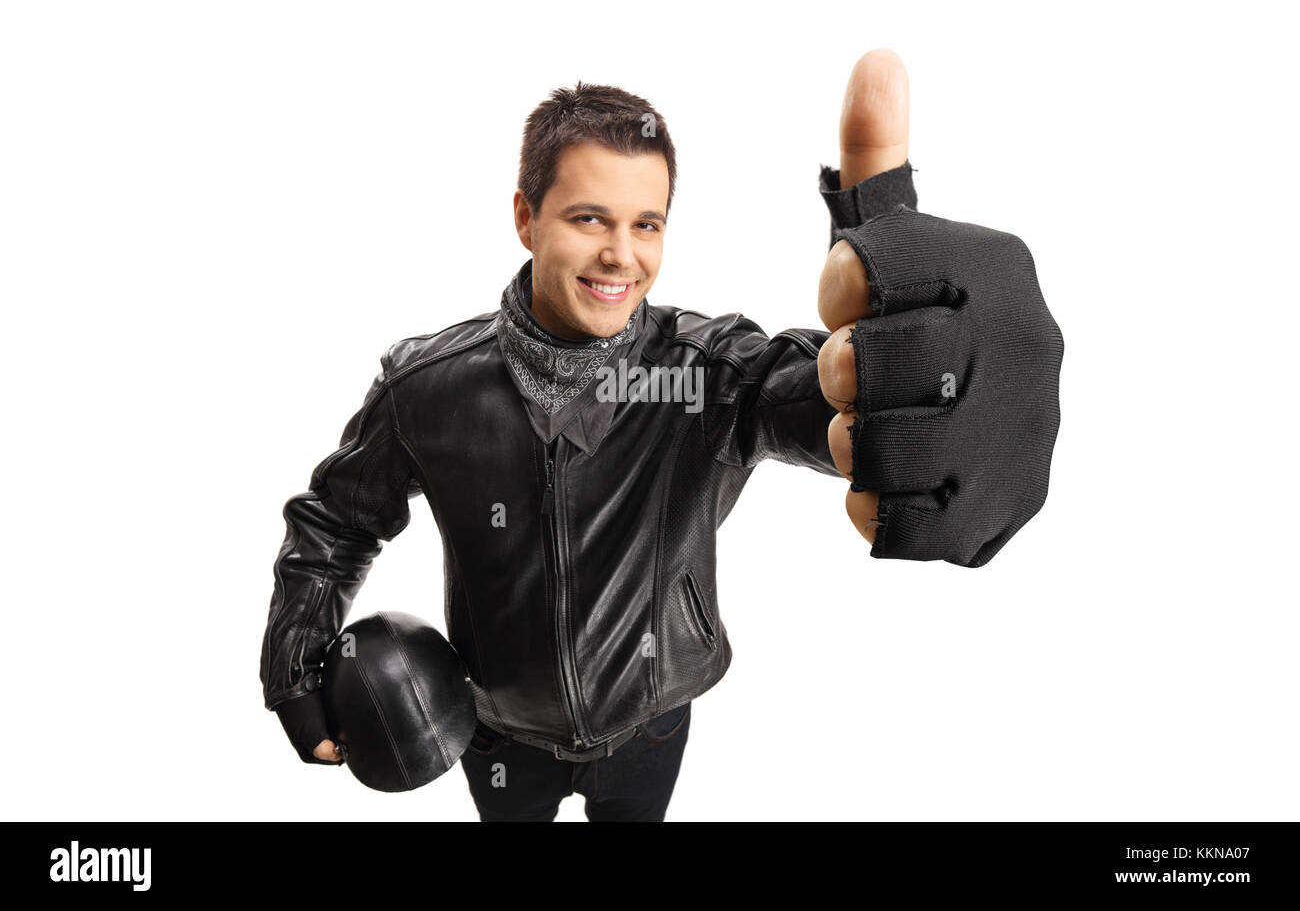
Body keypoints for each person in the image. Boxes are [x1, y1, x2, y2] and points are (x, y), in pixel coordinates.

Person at [258, 48, 1062, 820]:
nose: (621, 254)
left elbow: (824, 398)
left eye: (648, 224)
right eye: (588, 218)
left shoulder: (706, 375)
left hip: (653, 726)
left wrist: (927, 375)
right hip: (495, 733)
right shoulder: (424, 387)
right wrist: (294, 669)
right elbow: (337, 521)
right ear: (525, 217)